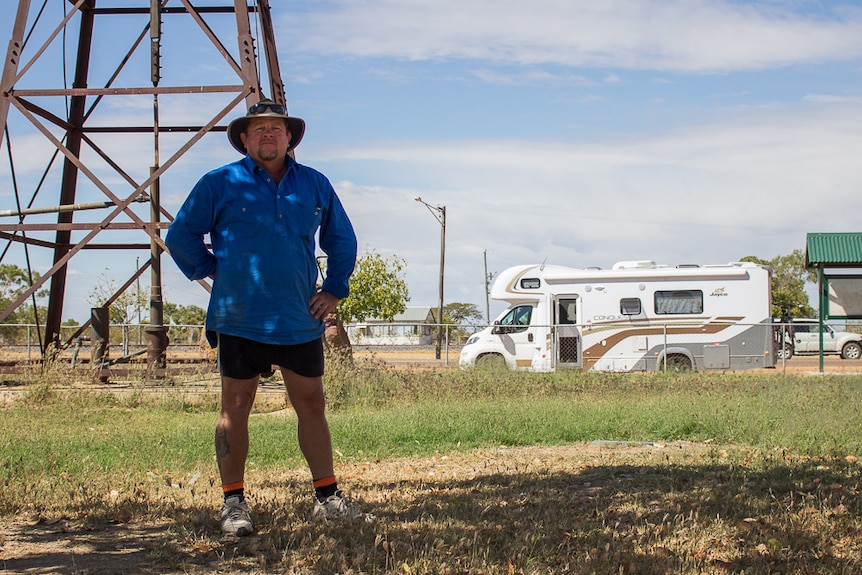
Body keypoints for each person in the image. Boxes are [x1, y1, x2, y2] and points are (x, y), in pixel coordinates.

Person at [165, 99, 359, 536]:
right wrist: (212, 269)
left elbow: (342, 239)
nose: (268, 134)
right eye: (258, 129)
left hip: (297, 316)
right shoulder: (219, 183)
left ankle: (328, 497)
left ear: (290, 138)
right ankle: (233, 503)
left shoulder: (314, 184)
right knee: (236, 405)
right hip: (239, 317)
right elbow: (179, 236)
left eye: (276, 127)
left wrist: (333, 289)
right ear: (244, 139)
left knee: (311, 403)